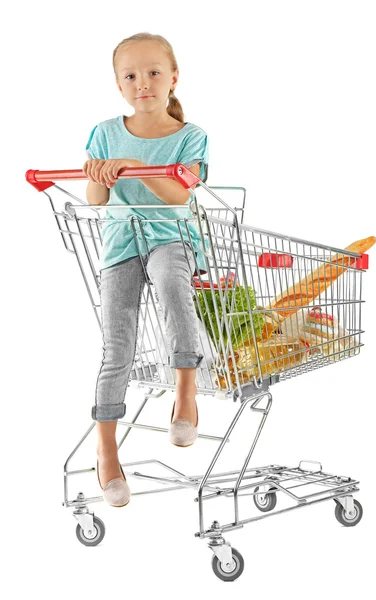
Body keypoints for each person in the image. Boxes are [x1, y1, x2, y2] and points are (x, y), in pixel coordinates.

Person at [82, 32, 209, 507]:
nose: (143, 83)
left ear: (173, 79)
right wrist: (99, 174)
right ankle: (107, 450)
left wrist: (135, 165)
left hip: (170, 238)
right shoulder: (103, 133)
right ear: (119, 85)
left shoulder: (191, 137)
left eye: (154, 72)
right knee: (118, 346)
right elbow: (96, 201)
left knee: (176, 291)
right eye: (131, 75)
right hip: (119, 245)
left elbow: (180, 195)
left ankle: (185, 393)